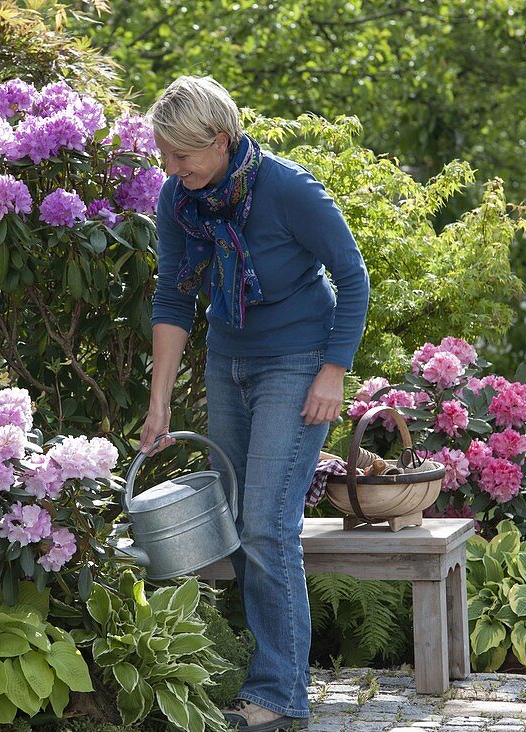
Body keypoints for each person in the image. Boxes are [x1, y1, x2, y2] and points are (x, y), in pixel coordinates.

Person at [139, 76, 369, 732]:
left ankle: (278, 695)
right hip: (229, 359)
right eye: (164, 158)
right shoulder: (179, 200)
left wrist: (332, 372)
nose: (172, 171)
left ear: (220, 139)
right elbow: (174, 297)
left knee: (267, 523)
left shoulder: (288, 189)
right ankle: (268, 668)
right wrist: (159, 405)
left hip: (297, 361)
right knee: (238, 518)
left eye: (182, 157)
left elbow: (352, 277)